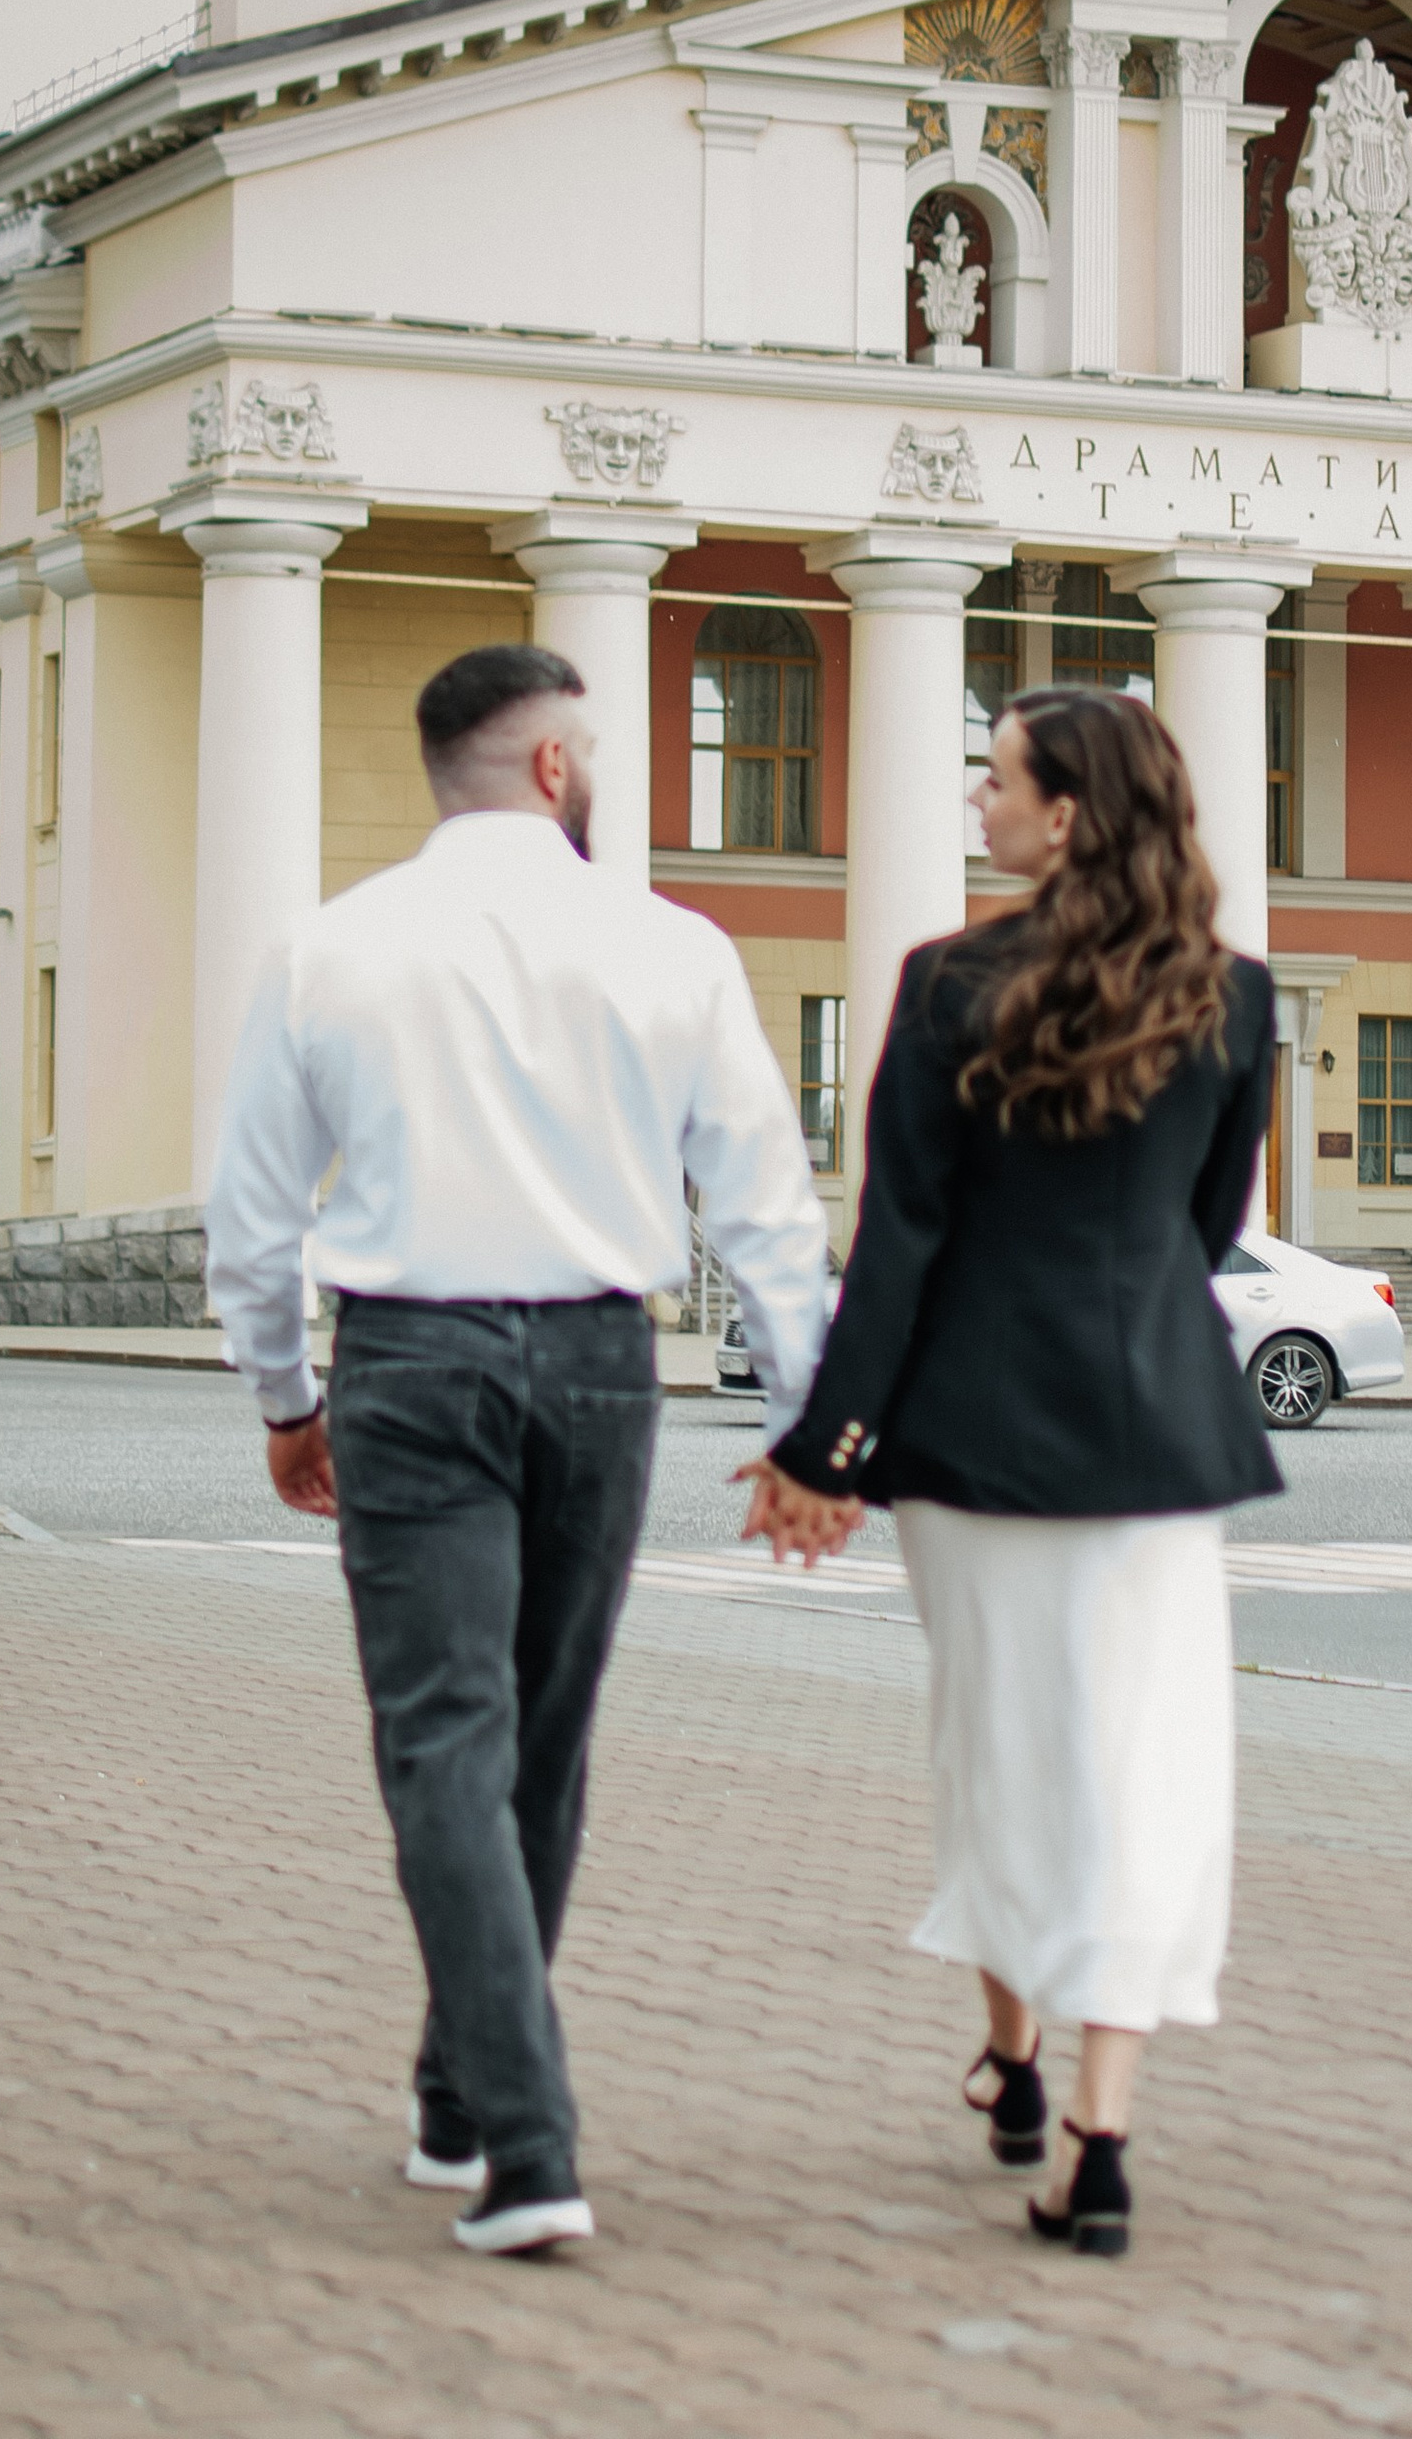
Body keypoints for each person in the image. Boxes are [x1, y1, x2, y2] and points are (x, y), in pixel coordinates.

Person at [206, 644, 850, 2257]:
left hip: (408, 1362)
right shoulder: (672, 948)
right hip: (597, 1362)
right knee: (541, 1747)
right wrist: (809, 1435)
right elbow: (768, 1209)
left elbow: (253, 1215)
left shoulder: (330, 947)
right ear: (558, 765)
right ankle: (471, 2106)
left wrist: (286, 1396)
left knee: (443, 1746)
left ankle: (520, 2138)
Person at [766, 687, 1281, 2261]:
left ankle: (1013, 2052)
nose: (975, 801)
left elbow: (898, 1251)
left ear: (1063, 816)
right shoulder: (1237, 998)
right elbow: (1203, 1234)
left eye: (994, 780)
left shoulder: (940, 987)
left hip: (975, 1443)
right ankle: (1095, 2135)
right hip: (1156, 1437)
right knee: (1143, 1770)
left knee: (998, 1751)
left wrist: (822, 1449)